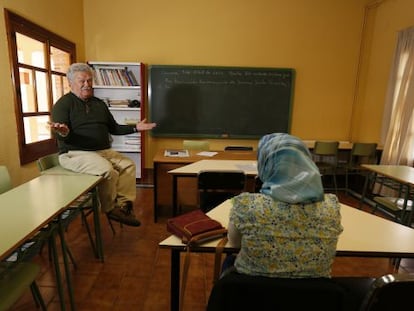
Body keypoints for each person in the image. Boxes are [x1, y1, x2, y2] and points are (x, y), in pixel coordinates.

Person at [50, 62, 156, 227]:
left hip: (103, 151)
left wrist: (136, 127)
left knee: (128, 165)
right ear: (70, 83)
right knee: (108, 171)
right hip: (74, 153)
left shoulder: (99, 104)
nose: (87, 84)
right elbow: (61, 134)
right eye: (82, 81)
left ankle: (124, 207)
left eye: (89, 80)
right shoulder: (63, 105)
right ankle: (110, 209)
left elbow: (114, 128)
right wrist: (63, 131)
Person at [223, 133, 343, 278]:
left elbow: (234, 245)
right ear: (307, 160)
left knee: (229, 261)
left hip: (252, 293)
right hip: (314, 296)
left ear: (265, 164)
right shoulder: (331, 207)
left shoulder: (246, 205)